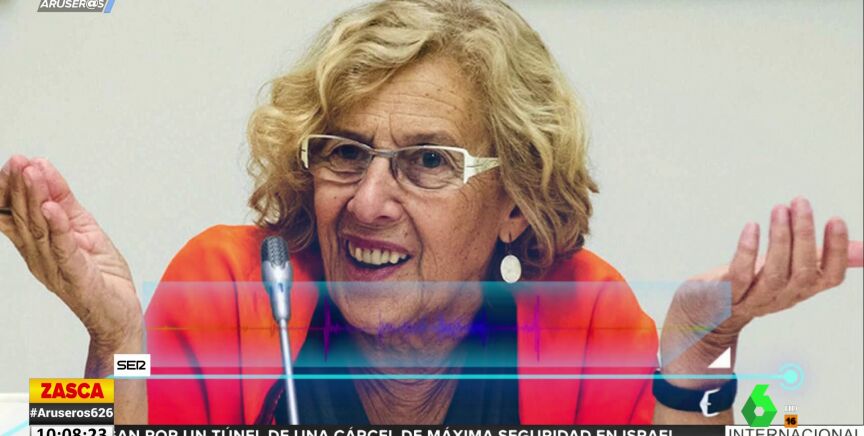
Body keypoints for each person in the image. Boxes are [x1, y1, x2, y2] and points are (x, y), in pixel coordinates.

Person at [1, 0, 861, 426]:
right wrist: (114, 340)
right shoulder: (230, 285)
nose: (369, 203)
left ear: (515, 202)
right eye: (345, 152)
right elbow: (83, 420)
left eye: (428, 162)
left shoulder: (581, 316)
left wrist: (698, 364)